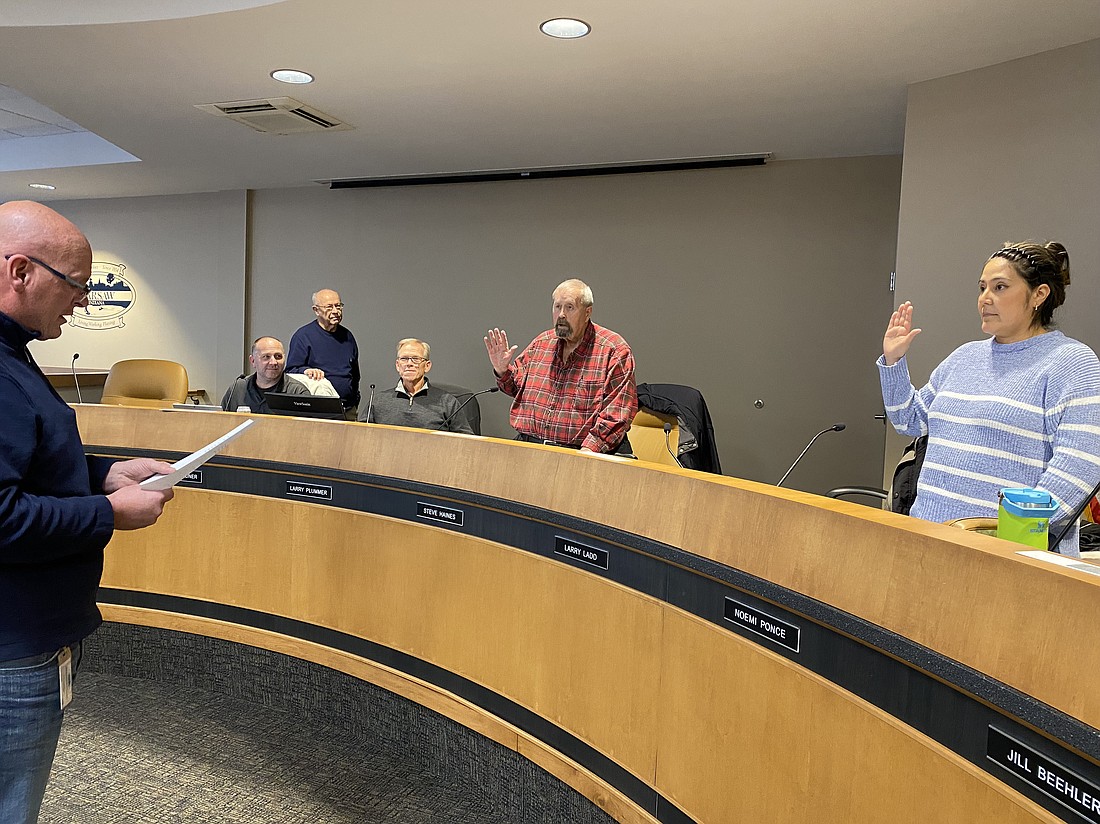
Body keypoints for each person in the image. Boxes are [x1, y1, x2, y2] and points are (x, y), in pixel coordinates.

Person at [0, 201, 174, 823]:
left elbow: (25, 454)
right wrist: (108, 513)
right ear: (20, 271)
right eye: (75, 283)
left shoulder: (12, 352)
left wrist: (100, 472)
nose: (82, 300)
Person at [878, 241, 1100, 556]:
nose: (985, 298)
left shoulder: (1072, 362)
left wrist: (1006, 537)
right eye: (982, 287)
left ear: (1039, 294)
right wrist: (894, 364)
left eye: (1000, 287)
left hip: (1004, 556)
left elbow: (1080, 467)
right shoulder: (964, 357)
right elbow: (909, 419)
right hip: (927, 542)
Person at [484, 278, 637, 453]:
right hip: (530, 450)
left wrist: (586, 453)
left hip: (581, 454)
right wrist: (502, 370)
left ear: (587, 313)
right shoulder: (541, 343)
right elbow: (515, 388)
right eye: (557, 307)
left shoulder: (614, 351)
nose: (561, 314)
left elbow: (616, 415)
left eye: (569, 307)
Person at [359, 339, 473, 433]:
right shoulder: (378, 401)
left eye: (416, 359)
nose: (409, 363)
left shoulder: (447, 402)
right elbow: (361, 436)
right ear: (398, 365)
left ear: (427, 366)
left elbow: (466, 442)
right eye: (404, 359)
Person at [286, 288, 360, 418]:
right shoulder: (303, 336)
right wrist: (306, 371)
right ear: (316, 310)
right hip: (317, 411)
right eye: (329, 307)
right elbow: (290, 372)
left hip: (347, 410)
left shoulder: (348, 337)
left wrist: (354, 401)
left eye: (338, 306)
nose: (336, 311)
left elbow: (355, 375)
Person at [220, 335, 309, 414]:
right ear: (253, 361)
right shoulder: (237, 389)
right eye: (266, 357)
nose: (273, 362)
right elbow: (222, 422)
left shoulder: (298, 392)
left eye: (278, 356)